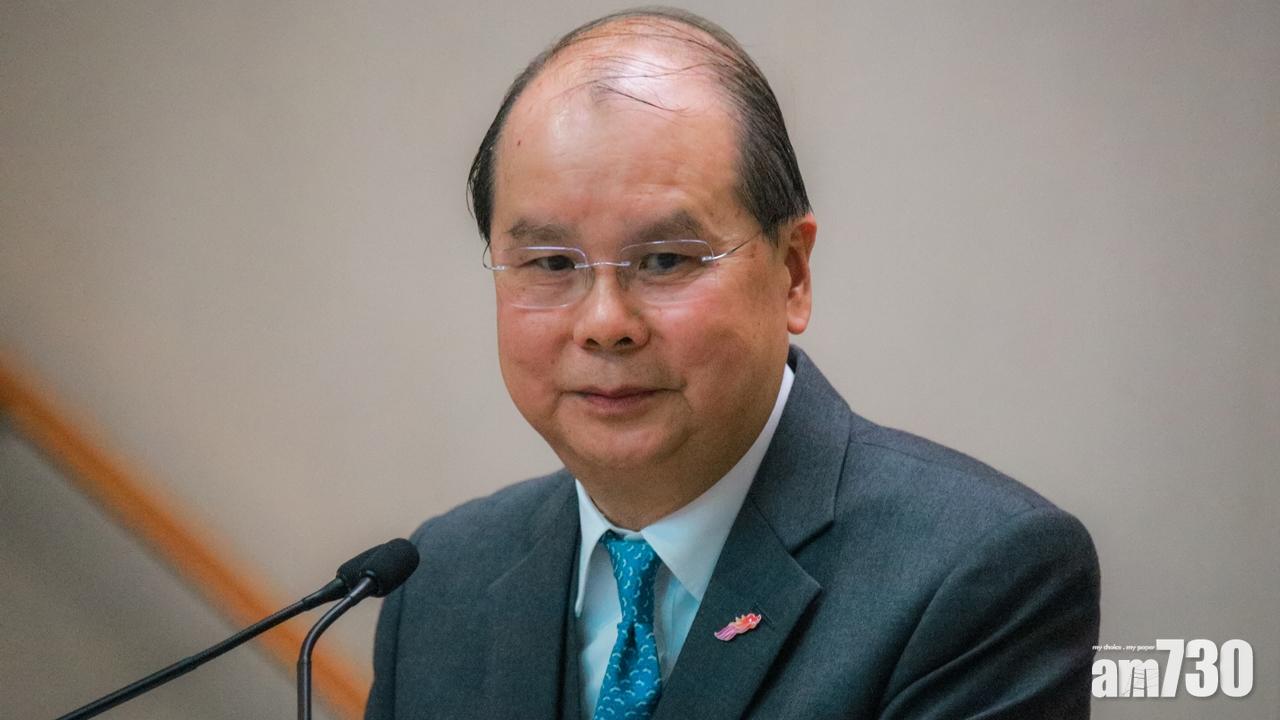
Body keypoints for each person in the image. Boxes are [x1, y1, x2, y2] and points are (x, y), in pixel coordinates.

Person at [366, 8, 1100, 720]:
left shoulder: (977, 572)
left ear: (792, 272)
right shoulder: (437, 581)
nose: (605, 325)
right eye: (552, 263)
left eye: (664, 260)